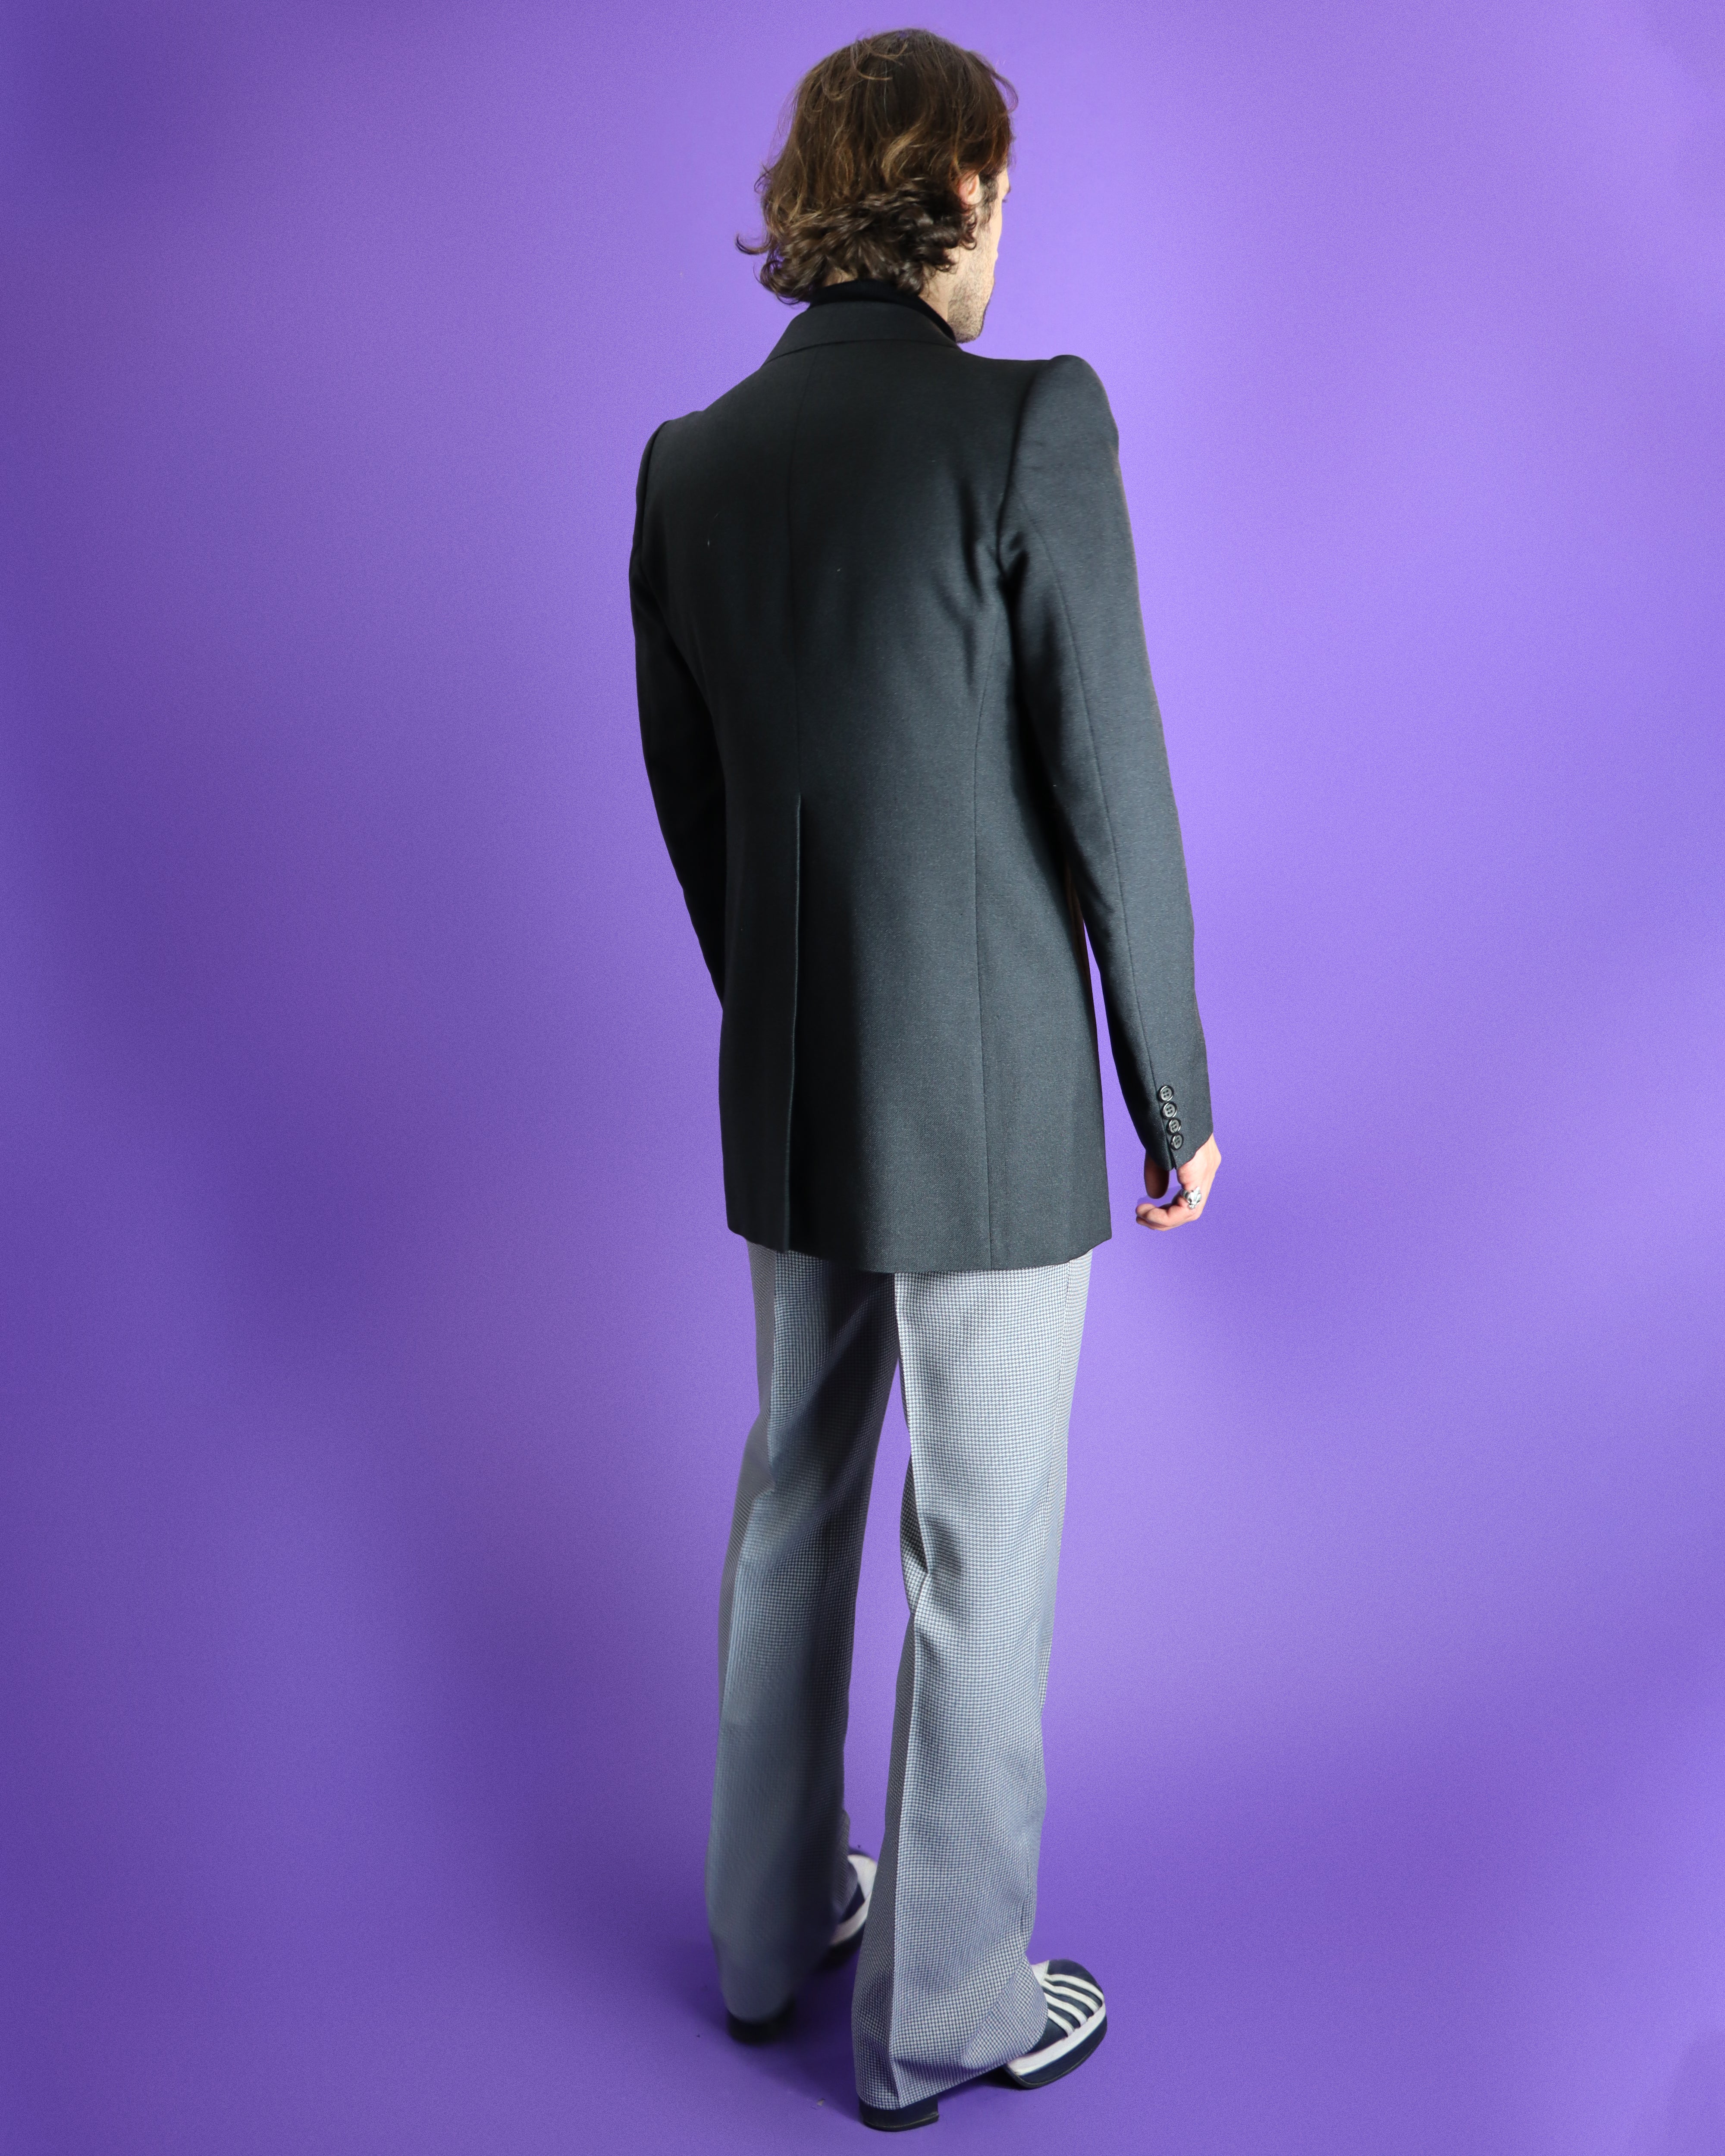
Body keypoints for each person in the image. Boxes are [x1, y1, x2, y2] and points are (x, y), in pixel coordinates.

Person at [628, 28, 1219, 2131]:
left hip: (794, 1076)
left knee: (792, 1491)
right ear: (958, 190)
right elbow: (1108, 778)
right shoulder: (1030, 423)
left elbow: (697, 806)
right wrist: (1170, 1091)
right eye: (1002, 195)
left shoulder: (688, 463)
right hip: (983, 1104)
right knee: (981, 1550)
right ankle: (946, 2011)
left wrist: (787, 1002)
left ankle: (765, 1930)